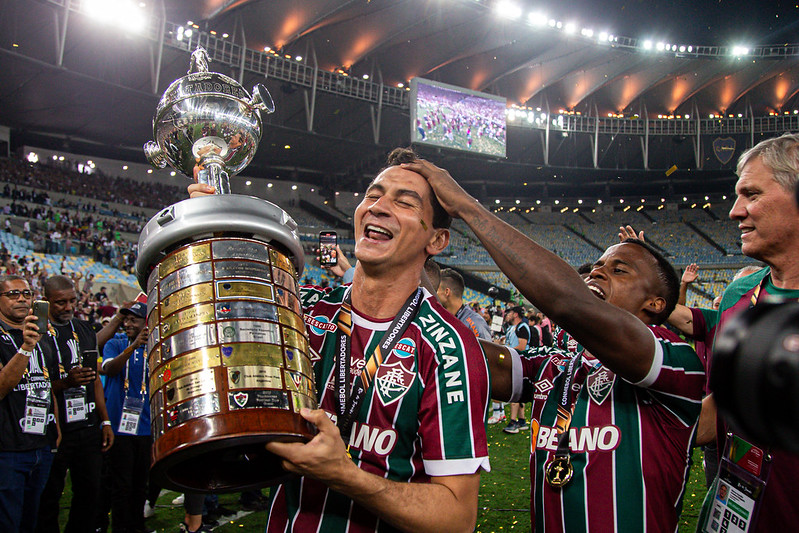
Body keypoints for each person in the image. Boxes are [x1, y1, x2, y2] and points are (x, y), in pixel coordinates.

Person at [189, 147, 491, 532]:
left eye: (404, 202)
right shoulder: (305, 312)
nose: (378, 207)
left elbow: (456, 518)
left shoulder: (451, 347)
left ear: (437, 240)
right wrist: (210, 234)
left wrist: (344, 475)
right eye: (373, 194)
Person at [403, 158, 705, 532]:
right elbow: (464, 353)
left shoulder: (678, 362)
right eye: (597, 265)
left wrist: (466, 207)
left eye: (618, 269)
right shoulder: (558, 363)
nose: (596, 272)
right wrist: (408, 277)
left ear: (656, 304)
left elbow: (570, 304)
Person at [683, 133, 799, 531]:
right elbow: (720, 407)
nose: (734, 211)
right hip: (733, 511)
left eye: (751, 193)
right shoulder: (738, 294)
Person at [36, 275, 116, 533]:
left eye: (72, 300)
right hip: (54, 429)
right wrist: (65, 383)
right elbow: (31, 385)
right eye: (61, 302)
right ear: (46, 301)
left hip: (88, 426)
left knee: (90, 492)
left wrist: (104, 421)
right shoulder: (35, 332)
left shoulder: (82, 329)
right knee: (48, 496)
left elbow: (94, 380)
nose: (69, 307)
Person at [0, 274, 59, 532]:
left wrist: (55, 430)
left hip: (40, 445)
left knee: (30, 520)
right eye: (13, 294)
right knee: (7, 522)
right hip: (8, 450)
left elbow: (46, 386)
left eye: (26, 293)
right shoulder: (25, 339)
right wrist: (25, 348)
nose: (22, 298)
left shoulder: (41, 335)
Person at [101, 301, 150, 533]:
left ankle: (137, 527)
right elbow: (110, 369)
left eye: (134, 320)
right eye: (127, 320)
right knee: (121, 484)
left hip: (146, 427)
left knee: (141, 484)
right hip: (119, 427)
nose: (129, 324)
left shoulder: (156, 347)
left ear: (145, 323)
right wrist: (132, 347)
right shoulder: (115, 343)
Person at [502, 305, 534, 434]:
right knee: (518, 392)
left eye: (510, 313)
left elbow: (521, 346)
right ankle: (521, 420)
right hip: (514, 361)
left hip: (519, 362)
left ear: (515, 314)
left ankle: (513, 422)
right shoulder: (513, 328)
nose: (507, 315)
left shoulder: (522, 327)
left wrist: (506, 350)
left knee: (514, 391)